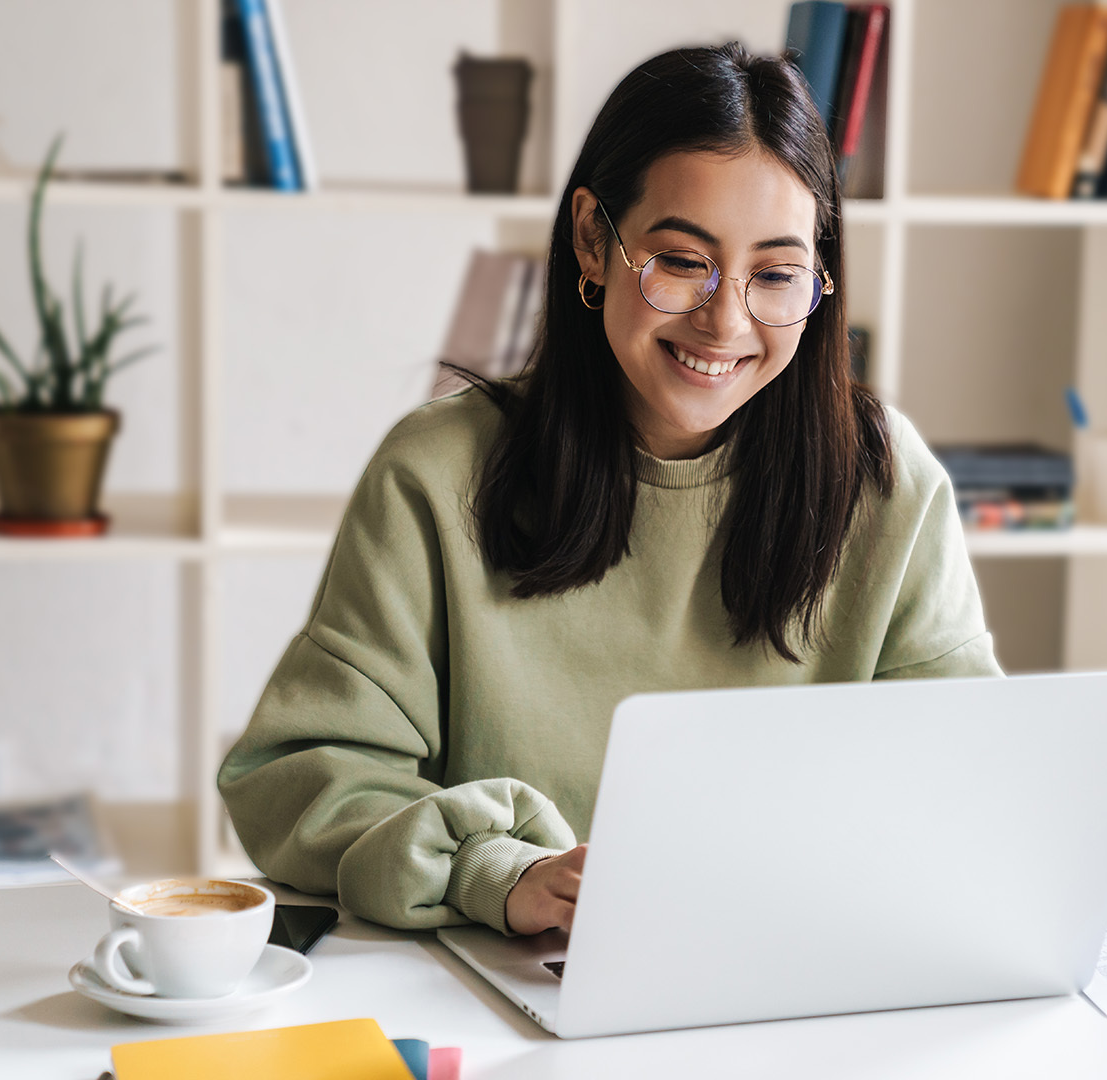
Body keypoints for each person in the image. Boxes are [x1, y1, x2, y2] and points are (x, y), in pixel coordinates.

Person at [219, 43, 1000, 939]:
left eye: (776, 275)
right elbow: (301, 776)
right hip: (515, 973)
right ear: (594, 239)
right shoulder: (436, 476)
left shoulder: (886, 483)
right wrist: (492, 870)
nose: (725, 321)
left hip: (801, 959)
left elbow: (971, 782)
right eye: (682, 260)